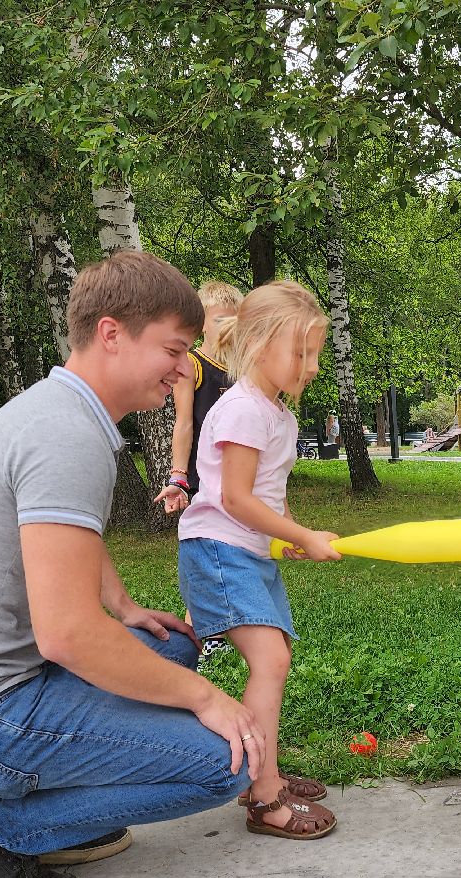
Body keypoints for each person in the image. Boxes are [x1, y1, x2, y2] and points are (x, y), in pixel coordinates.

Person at [0, 251, 262, 878]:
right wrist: (209, 700)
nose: (184, 368)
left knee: (170, 650)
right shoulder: (64, 435)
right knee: (226, 762)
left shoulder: (63, 414)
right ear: (111, 334)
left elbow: (58, 534)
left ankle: (62, 817)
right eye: (173, 348)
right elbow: (68, 635)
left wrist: (123, 605)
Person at [176, 280, 341, 839]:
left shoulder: (275, 414)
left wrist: (285, 534)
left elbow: (266, 493)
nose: (312, 366)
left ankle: (262, 769)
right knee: (270, 662)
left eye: (316, 352)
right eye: (301, 352)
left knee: (277, 657)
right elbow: (234, 499)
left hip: (247, 549)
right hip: (219, 550)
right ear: (258, 344)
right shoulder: (244, 408)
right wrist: (302, 532)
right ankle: (263, 797)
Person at [154, 280, 244, 514]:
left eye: (236, 321)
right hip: (203, 477)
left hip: (241, 473)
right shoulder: (192, 365)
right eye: (221, 320)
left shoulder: (245, 368)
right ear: (201, 324)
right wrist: (178, 477)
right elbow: (184, 422)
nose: (229, 327)